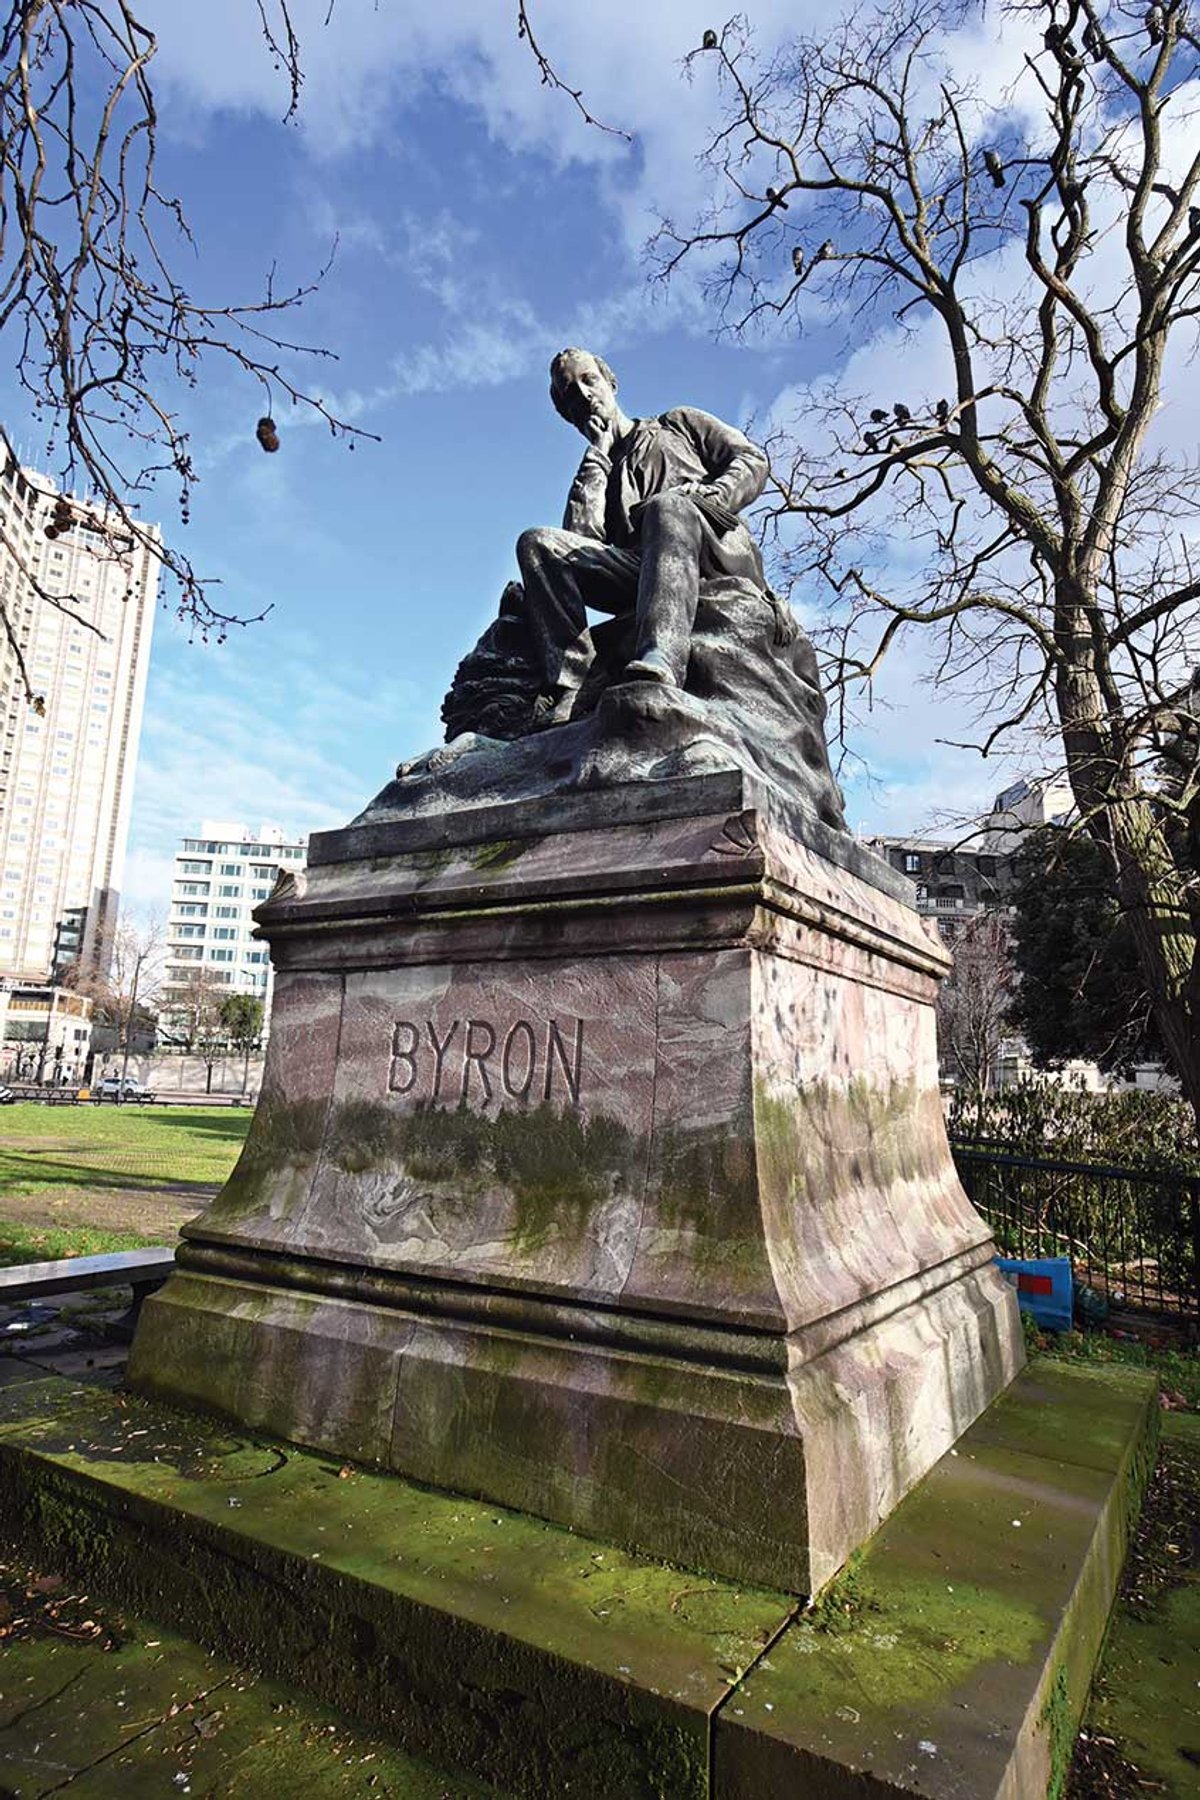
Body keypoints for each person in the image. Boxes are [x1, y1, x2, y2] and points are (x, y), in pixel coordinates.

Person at [516, 348, 781, 717]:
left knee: (666, 506)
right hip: (642, 568)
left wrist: (714, 494)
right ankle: (574, 683)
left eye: (589, 380)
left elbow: (752, 459)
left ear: (611, 383)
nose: (585, 395)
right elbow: (580, 542)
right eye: (571, 394)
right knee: (536, 544)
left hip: (709, 546)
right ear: (569, 414)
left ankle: (662, 656)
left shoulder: (677, 424)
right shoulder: (599, 469)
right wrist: (598, 458)